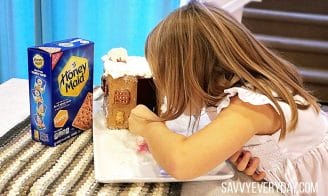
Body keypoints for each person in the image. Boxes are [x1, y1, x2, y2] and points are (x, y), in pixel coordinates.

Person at [128, 0, 328, 194]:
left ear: (189, 75)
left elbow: (182, 162)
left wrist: (149, 126)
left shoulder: (251, 105)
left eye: (163, 76)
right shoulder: (231, 95)